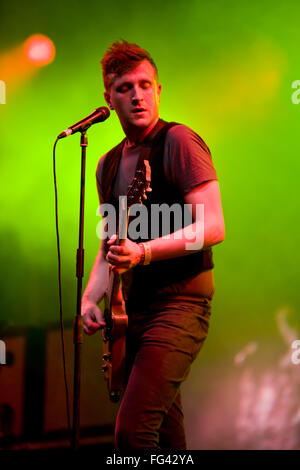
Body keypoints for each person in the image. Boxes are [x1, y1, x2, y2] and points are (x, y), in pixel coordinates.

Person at [81, 40, 225, 450]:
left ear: (159, 90)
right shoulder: (107, 164)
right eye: (125, 87)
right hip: (135, 315)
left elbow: (213, 226)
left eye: (146, 84)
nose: (138, 95)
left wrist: (144, 252)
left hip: (180, 307)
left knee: (132, 433)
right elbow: (111, 243)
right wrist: (91, 298)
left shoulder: (178, 142)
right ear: (108, 97)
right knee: (166, 439)